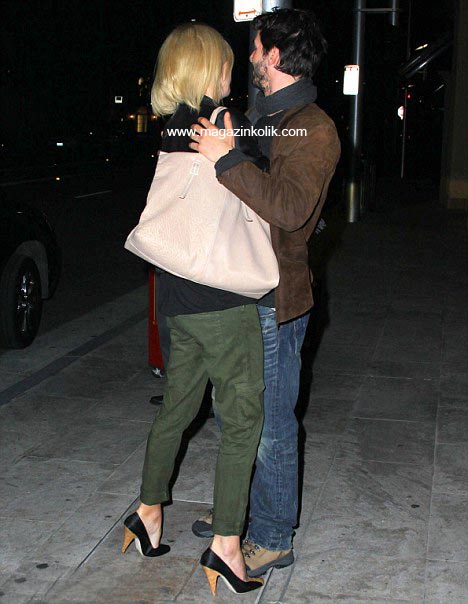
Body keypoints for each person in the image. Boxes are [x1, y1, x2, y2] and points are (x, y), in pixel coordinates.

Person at [189, 8, 341, 577]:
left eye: (255, 48)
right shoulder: (264, 118)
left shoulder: (312, 127)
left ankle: (273, 535)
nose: (250, 56)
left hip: (276, 299)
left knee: (273, 424)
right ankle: (238, 510)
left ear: (273, 56)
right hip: (239, 285)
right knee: (236, 411)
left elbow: (291, 208)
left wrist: (227, 159)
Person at [122, 23, 266, 596]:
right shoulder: (225, 123)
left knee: (177, 409)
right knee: (243, 419)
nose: (233, 70)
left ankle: (148, 511)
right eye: (226, 62)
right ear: (209, 67)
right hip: (222, 298)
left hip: (176, 297)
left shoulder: (171, 126)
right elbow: (261, 183)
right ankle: (227, 546)